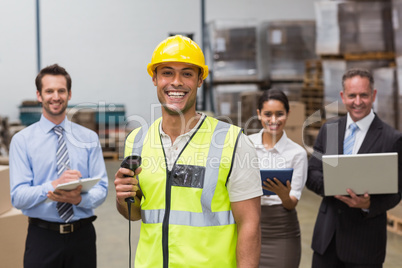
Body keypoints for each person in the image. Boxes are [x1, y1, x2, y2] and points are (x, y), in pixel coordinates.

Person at [114, 35, 262, 268]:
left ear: (200, 80)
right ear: (154, 78)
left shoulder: (233, 142)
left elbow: (250, 225)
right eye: (167, 72)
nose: (176, 82)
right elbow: (134, 214)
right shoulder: (137, 140)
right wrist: (123, 199)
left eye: (187, 73)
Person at [9, 64, 108, 268]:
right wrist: (53, 186)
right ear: (39, 95)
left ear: (69, 94)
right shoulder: (22, 141)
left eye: (61, 90)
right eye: (49, 91)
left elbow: (102, 188)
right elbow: (18, 197)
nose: (56, 96)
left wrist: (79, 198)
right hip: (42, 238)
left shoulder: (88, 138)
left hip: (83, 238)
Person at [306, 68, 402, 267]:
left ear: (373, 95)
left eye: (364, 95)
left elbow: (396, 192)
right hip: (327, 241)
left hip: (364, 245)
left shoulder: (391, 138)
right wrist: (333, 185)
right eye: (352, 96)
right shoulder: (329, 130)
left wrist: (367, 205)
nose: (357, 101)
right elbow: (312, 172)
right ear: (343, 96)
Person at [248, 89, 307, 267]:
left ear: (288, 114)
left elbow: (291, 203)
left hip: (282, 229)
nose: (273, 120)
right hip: (250, 224)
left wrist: (283, 195)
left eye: (279, 114)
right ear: (259, 114)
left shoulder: (298, 154)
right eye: (268, 114)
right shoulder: (246, 145)